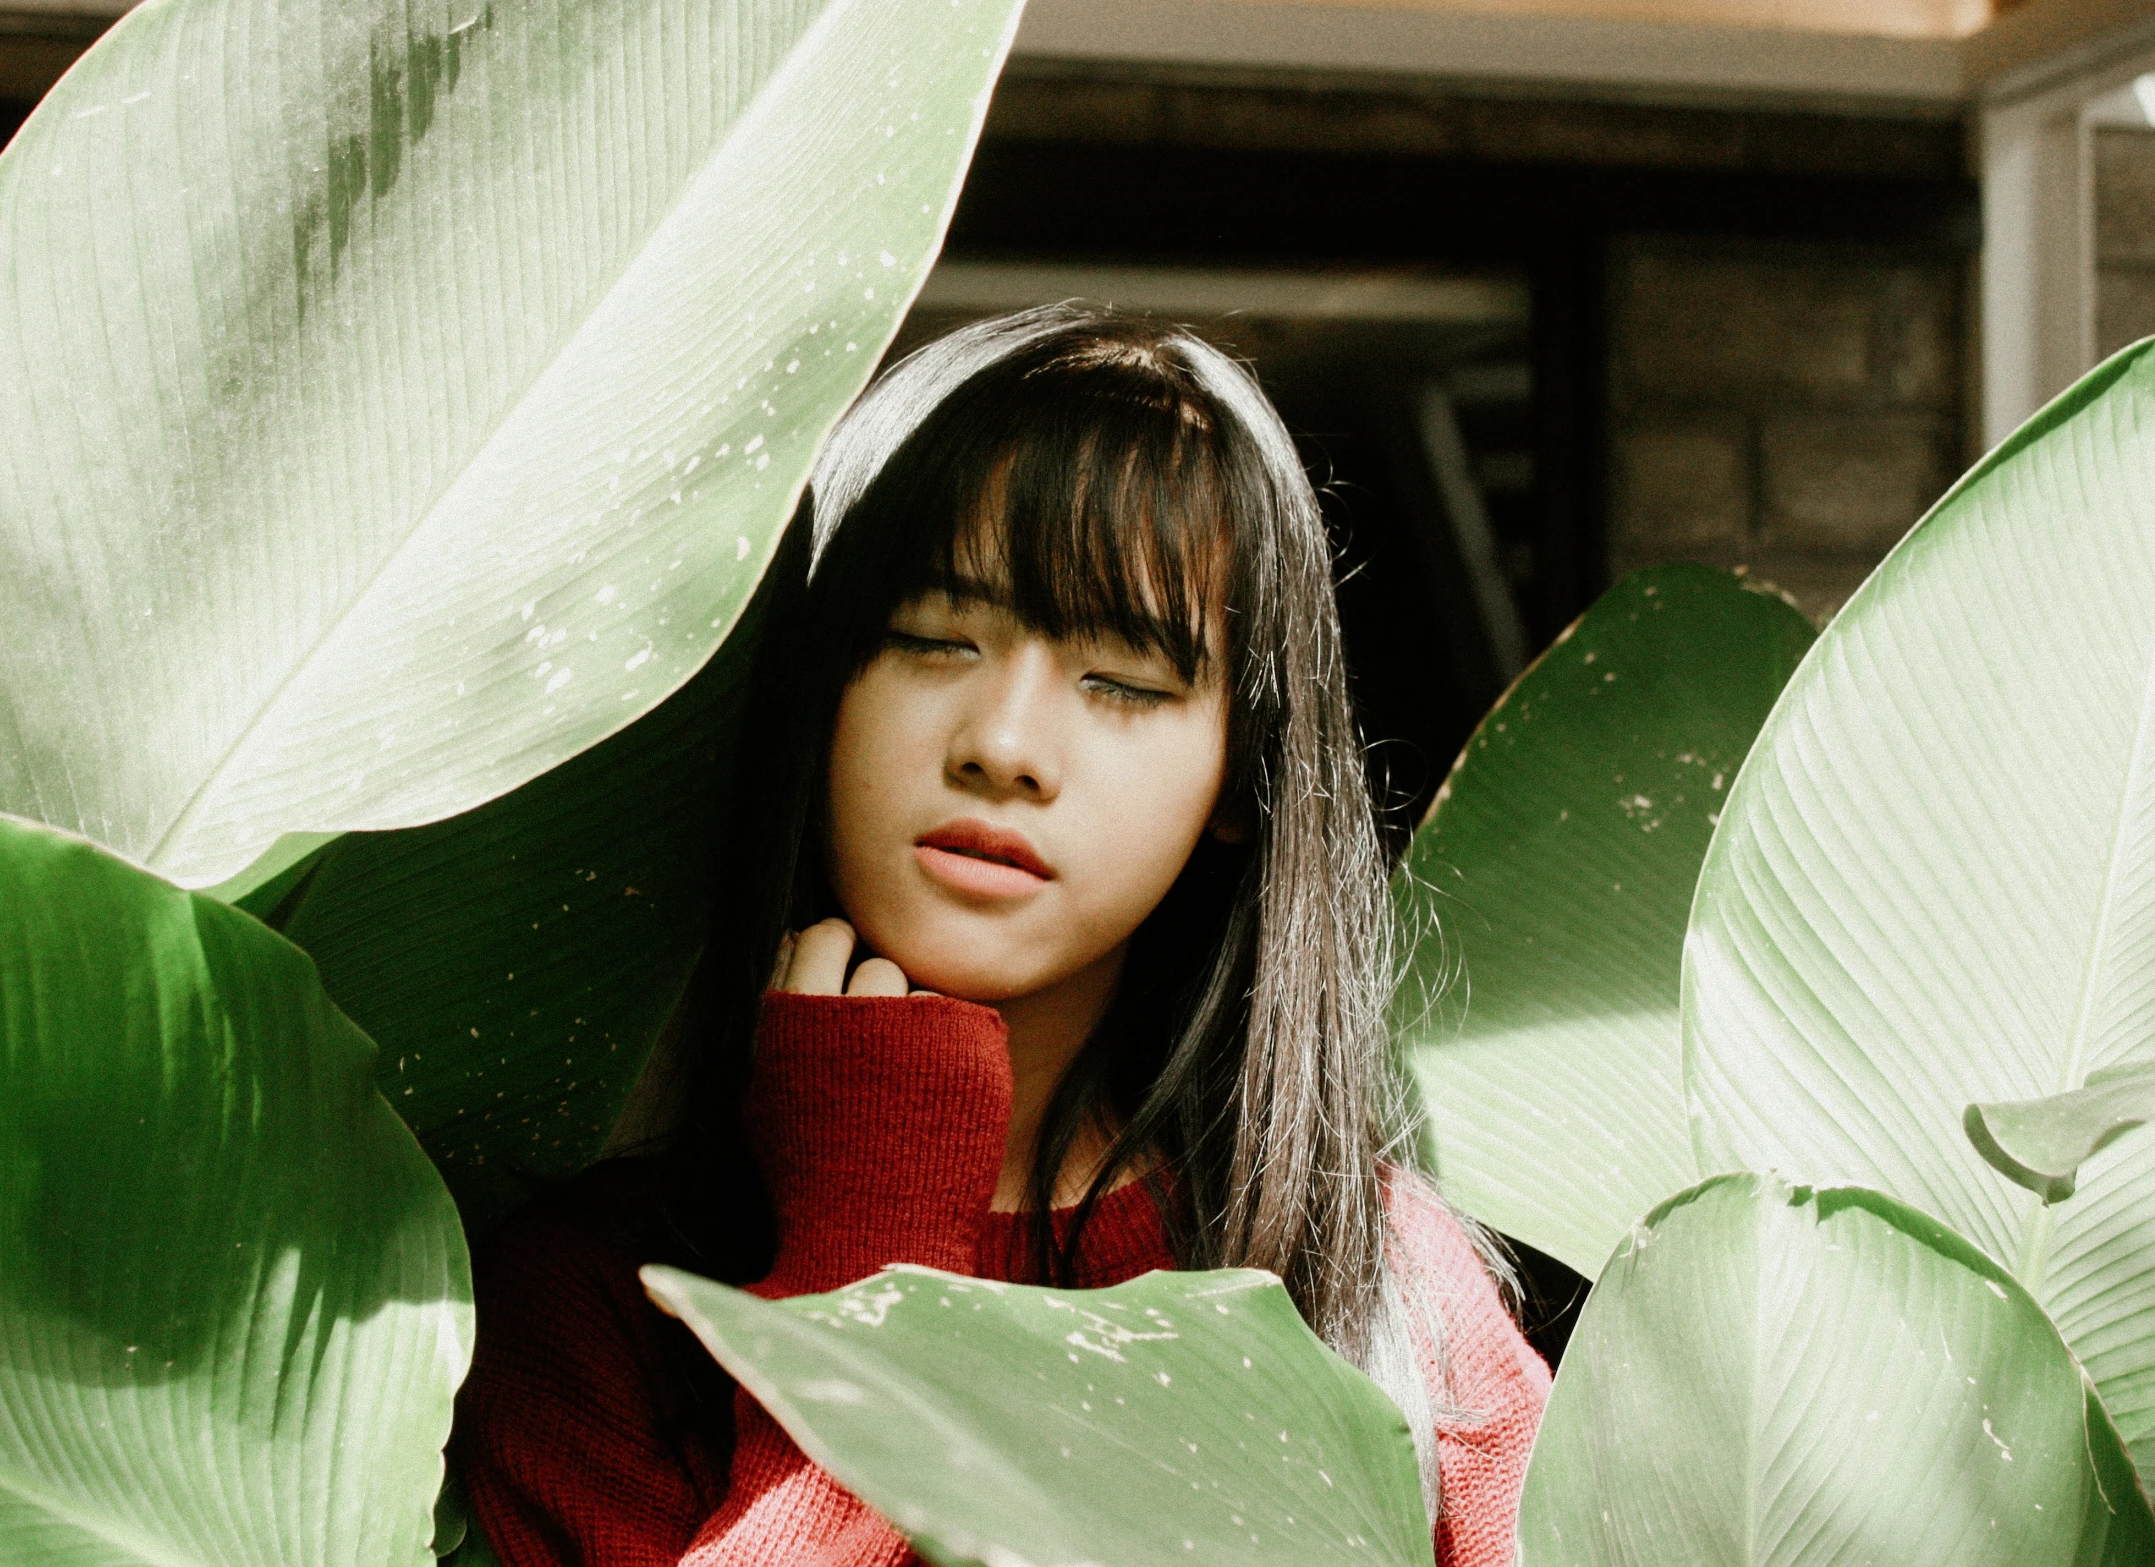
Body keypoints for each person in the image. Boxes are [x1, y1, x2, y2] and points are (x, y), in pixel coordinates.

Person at [457, 304, 1550, 1567]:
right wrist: (864, 1270)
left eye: (1125, 681)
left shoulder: (1382, 1291)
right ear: (813, 696)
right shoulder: (593, 1306)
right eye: (931, 639)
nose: (1004, 746)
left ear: (1239, 785)